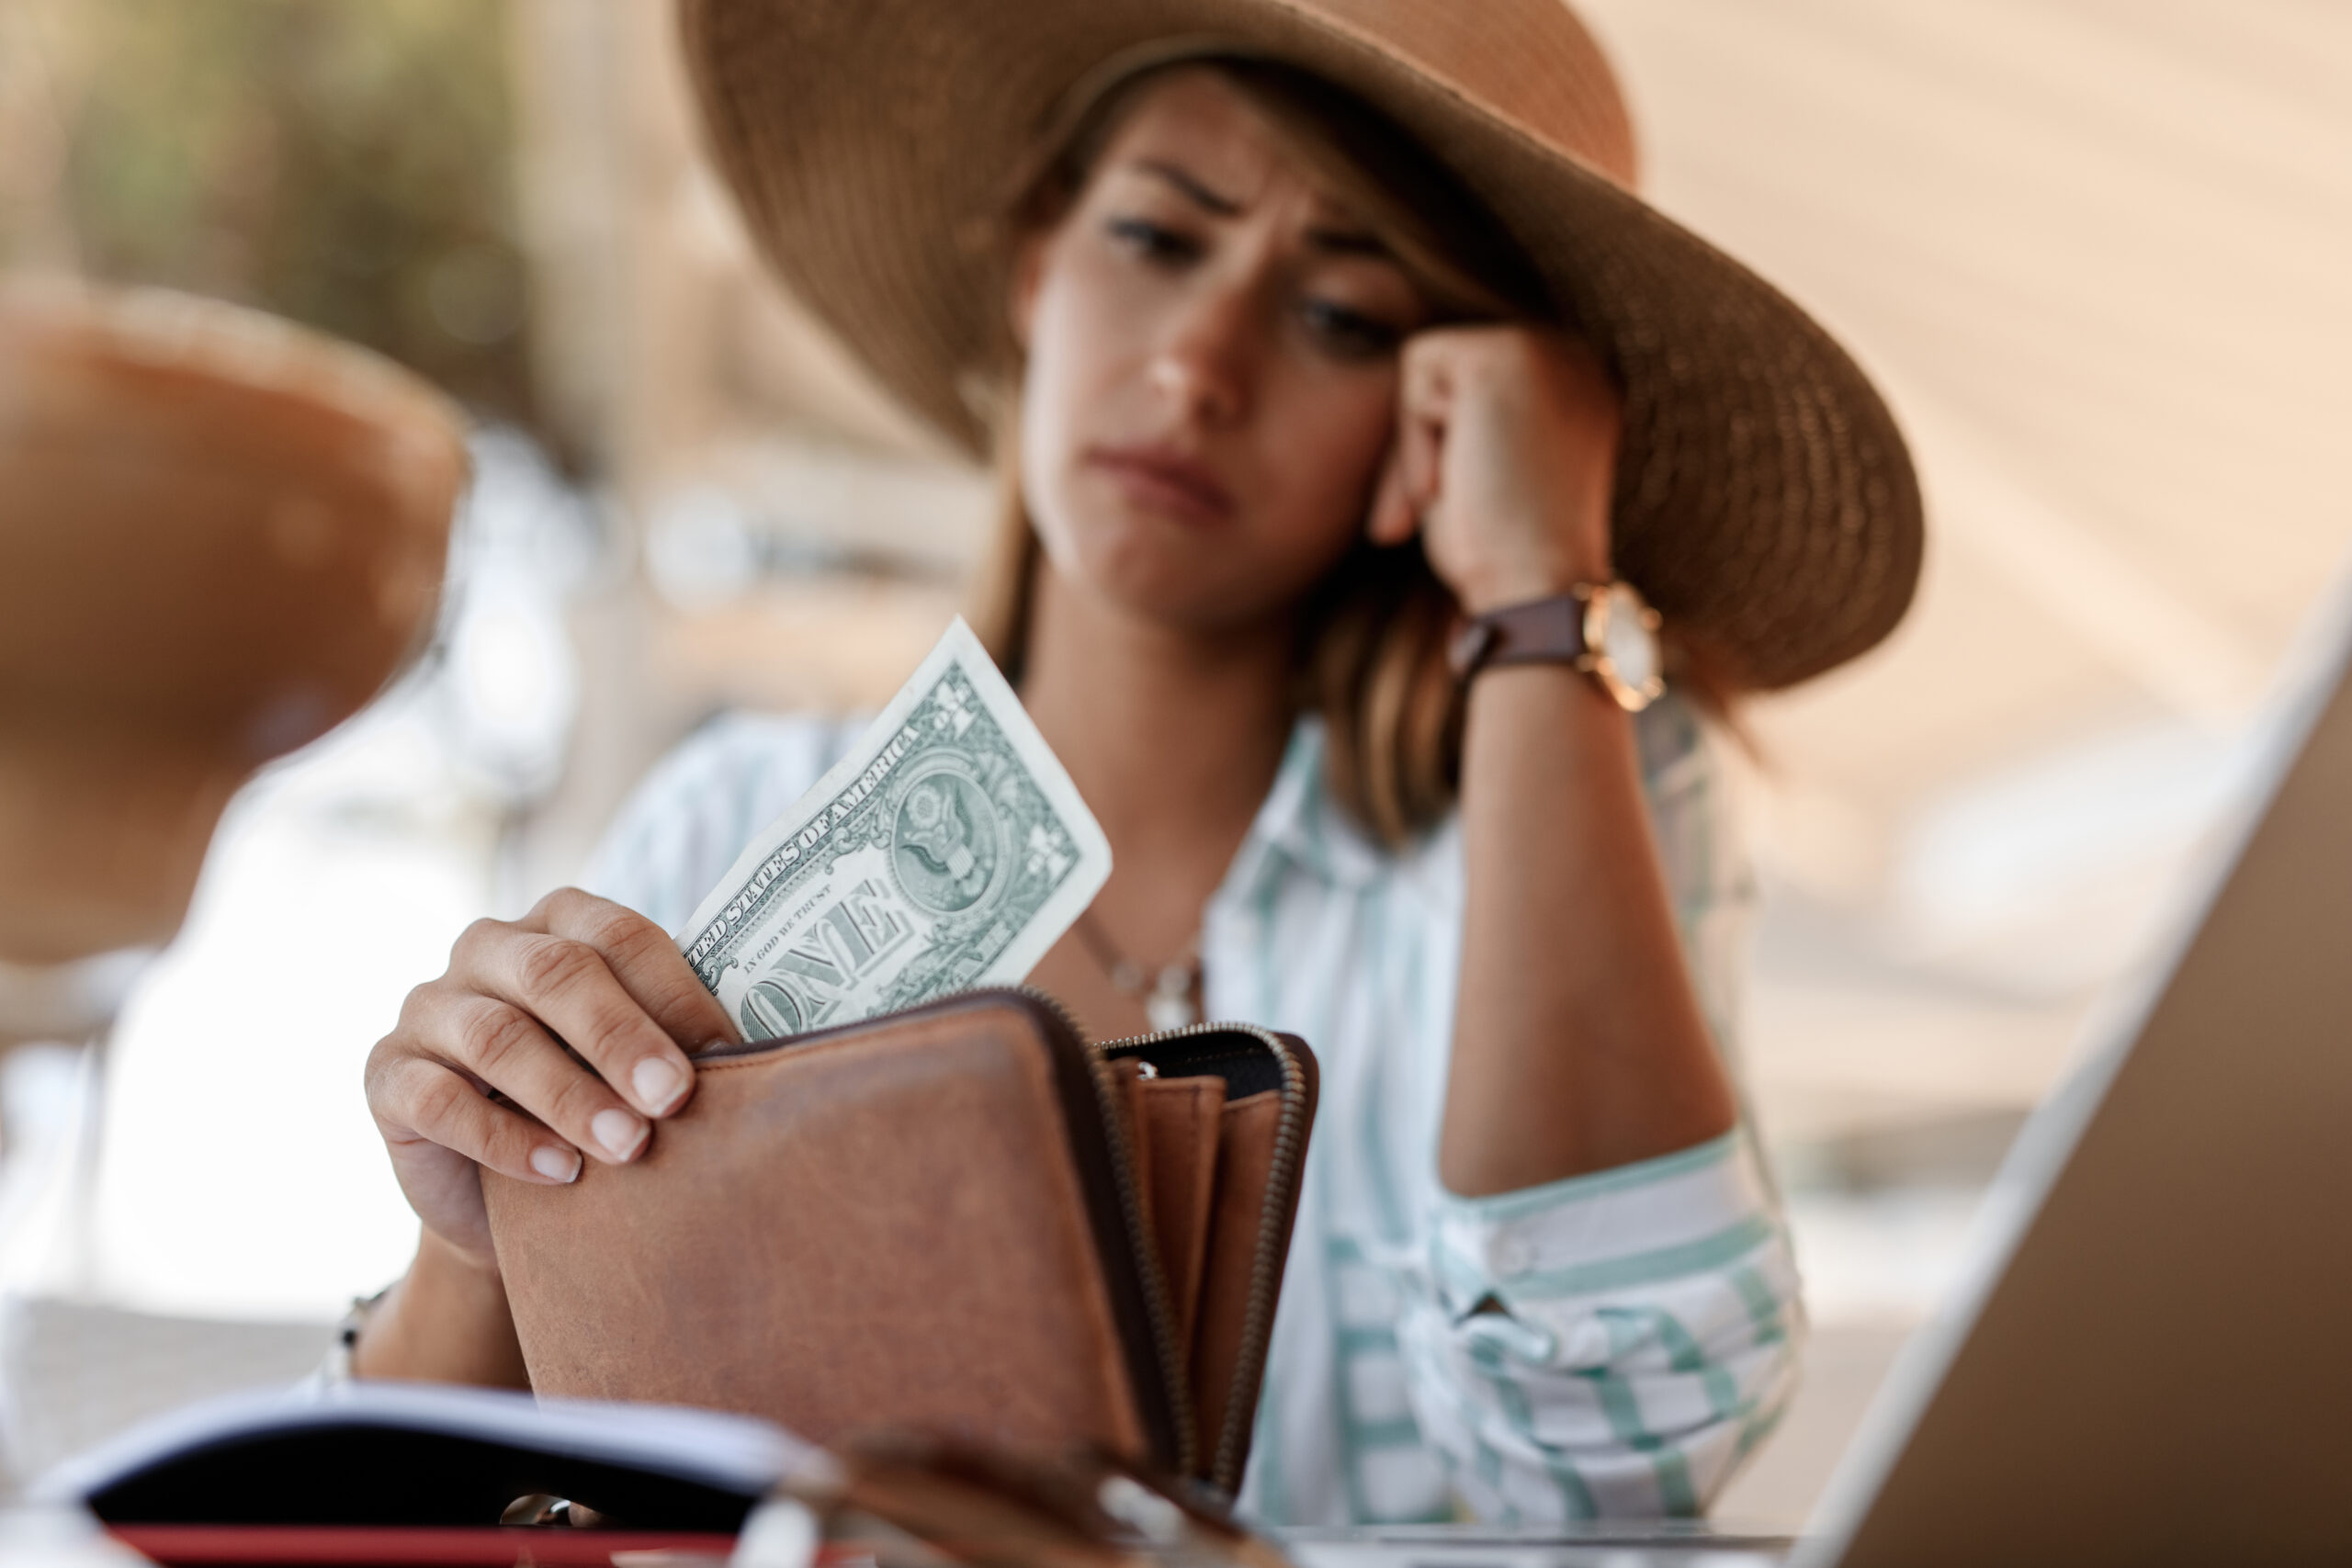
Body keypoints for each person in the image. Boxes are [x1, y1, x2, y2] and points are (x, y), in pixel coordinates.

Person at [349, 0, 1922, 1527]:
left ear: (1448, 419)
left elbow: (1620, 1456)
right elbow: (420, 1520)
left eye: (1341, 316)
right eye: (1159, 239)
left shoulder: (1580, 790)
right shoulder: (728, 822)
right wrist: (488, 1232)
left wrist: (1539, 602)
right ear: (1036, 267)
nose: (1199, 369)